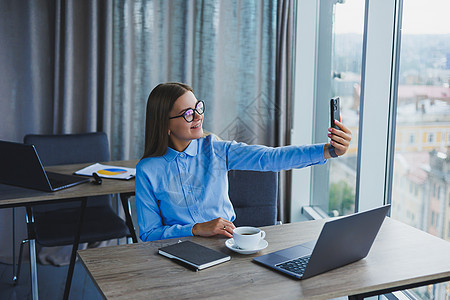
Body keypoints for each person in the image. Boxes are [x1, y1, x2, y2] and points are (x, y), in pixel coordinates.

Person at [135, 82, 352, 242]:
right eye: (188, 114)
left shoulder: (216, 150)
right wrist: (195, 229)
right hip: (174, 255)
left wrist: (327, 151)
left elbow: (271, 158)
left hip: (225, 247)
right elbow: (148, 235)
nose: (199, 116)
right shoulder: (148, 170)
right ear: (166, 125)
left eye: (199, 108)